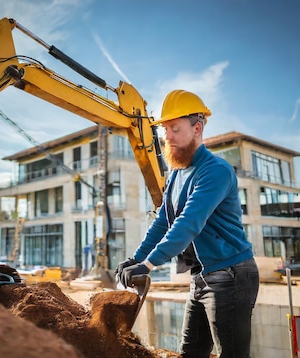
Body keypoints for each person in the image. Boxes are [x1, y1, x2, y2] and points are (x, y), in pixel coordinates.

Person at [116, 90, 259, 358]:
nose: (166, 136)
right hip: (201, 277)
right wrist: (135, 258)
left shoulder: (215, 170)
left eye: (174, 128)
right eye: (165, 129)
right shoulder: (177, 174)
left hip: (231, 275)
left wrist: (148, 265)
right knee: (190, 352)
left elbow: (188, 223)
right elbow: (163, 222)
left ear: (197, 128)